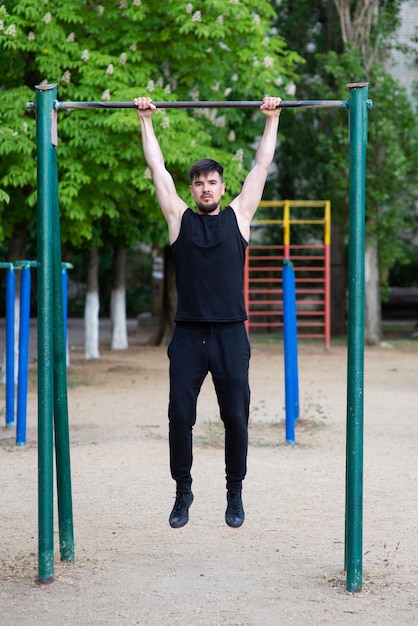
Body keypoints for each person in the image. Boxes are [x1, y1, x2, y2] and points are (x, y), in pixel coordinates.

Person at [134, 95, 282, 529]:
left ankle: (234, 492)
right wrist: (146, 122)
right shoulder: (178, 219)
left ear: (221, 186)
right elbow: (159, 172)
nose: (205, 188)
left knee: (236, 417)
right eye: (198, 183)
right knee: (179, 416)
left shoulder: (239, 217)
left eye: (211, 182)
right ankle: (184, 490)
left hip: (231, 335)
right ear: (193, 189)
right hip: (188, 337)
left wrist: (272, 119)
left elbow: (261, 168)